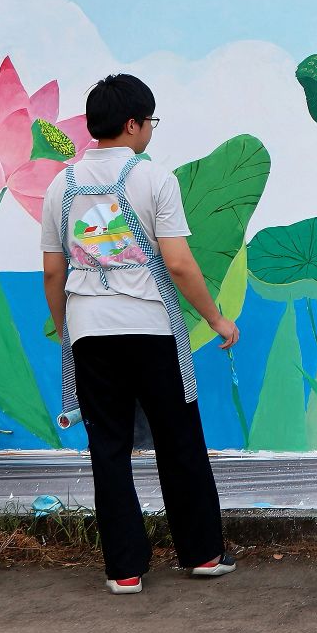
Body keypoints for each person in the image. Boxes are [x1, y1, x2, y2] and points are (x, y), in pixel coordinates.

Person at [41, 73, 240, 594]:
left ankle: (124, 569)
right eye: (149, 121)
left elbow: (52, 273)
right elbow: (178, 263)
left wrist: (69, 329)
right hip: (150, 328)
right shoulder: (154, 180)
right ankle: (201, 553)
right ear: (131, 124)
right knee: (179, 442)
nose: (150, 131)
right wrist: (216, 319)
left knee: (108, 448)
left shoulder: (60, 186)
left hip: (89, 332)